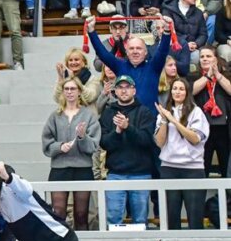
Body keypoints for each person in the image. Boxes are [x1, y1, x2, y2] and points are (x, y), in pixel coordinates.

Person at [42, 77, 100, 231]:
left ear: (80, 91)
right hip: (59, 169)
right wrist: (60, 147)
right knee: (58, 213)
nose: (69, 92)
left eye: (73, 88)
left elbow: (93, 146)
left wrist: (82, 137)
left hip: (82, 169)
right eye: (66, 89)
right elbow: (46, 143)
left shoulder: (89, 116)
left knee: (81, 214)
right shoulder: (55, 116)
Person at [98, 75, 157, 226]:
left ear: (134, 90)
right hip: (115, 173)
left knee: (140, 221)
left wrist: (127, 128)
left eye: (127, 87)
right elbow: (104, 143)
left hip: (141, 174)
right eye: (120, 88)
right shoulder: (107, 113)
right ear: (115, 91)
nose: (124, 91)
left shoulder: (145, 112)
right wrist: (117, 132)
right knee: (113, 220)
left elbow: (147, 141)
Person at [154, 77, 210, 229]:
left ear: (187, 92)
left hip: (193, 169)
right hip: (169, 168)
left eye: (181, 89)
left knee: (195, 217)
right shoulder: (164, 113)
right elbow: (159, 142)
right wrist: (165, 120)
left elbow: (195, 139)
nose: (177, 92)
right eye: (174, 88)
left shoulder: (196, 112)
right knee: (171, 217)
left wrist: (174, 120)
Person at [88, 14, 172, 111]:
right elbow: (102, 53)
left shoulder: (154, 66)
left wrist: (166, 30)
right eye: (131, 48)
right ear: (127, 52)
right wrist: (91, 31)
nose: (135, 51)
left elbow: (163, 51)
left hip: (149, 120)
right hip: (125, 120)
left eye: (139, 48)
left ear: (145, 52)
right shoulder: (120, 66)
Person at [191, 47, 231, 176]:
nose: (204, 59)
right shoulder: (194, 76)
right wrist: (208, 76)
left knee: (226, 167)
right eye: (202, 56)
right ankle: (200, 196)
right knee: (203, 167)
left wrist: (218, 76)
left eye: (208, 56)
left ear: (216, 58)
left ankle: (228, 196)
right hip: (202, 129)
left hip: (224, 128)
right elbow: (191, 91)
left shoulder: (226, 75)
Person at [163, 0, 208, 74]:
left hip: (194, 48)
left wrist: (196, 44)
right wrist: (184, 45)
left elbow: (203, 34)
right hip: (175, 48)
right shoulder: (168, 11)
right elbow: (168, 33)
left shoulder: (198, 12)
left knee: (198, 56)